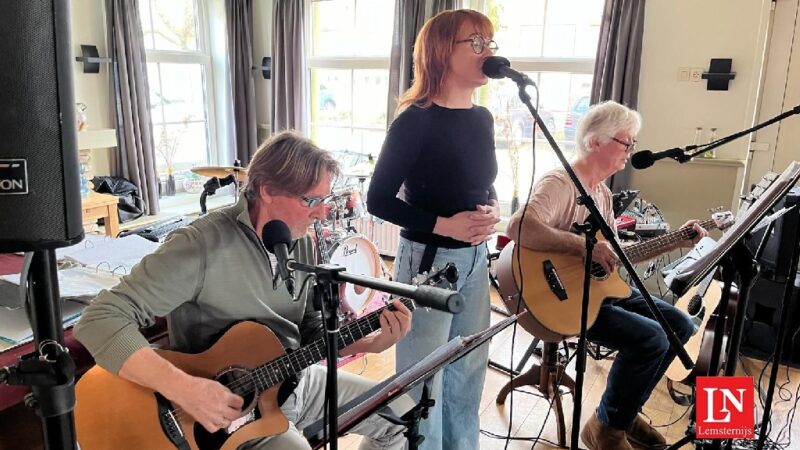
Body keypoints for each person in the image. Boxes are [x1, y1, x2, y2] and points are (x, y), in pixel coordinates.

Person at [75, 131, 413, 450]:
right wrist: (186, 389)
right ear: (267, 190)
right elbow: (100, 318)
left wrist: (371, 343)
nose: (323, 212)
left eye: (326, 199)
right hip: (225, 413)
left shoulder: (301, 244)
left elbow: (310, 331)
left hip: (295, 381)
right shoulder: (200, 245)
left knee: (402, 413)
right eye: (311, 200)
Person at [506, 101, 703, 450]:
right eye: (627, 141)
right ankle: (609, 428)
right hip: (561, 299)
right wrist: (581, 246)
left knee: (681, 326)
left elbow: (613, 257)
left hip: (599, 289)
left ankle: (619, 415)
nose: (631, 151)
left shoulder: (602, 194)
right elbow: (519, 227)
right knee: (652, 338)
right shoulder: (561, 183)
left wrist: (677, 241)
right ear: (596, 142)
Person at [366, 9, 500, 450]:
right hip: (428, 262)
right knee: (423, 378)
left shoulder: (482, 119)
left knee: (468, 369)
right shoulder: (414, 121)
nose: (487, 52)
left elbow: (484, 184)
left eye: (489, 42)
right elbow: (378, 200)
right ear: (442, 51)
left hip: (477, 259)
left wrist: (492, 211)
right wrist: (445, 224)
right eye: (475, 43)